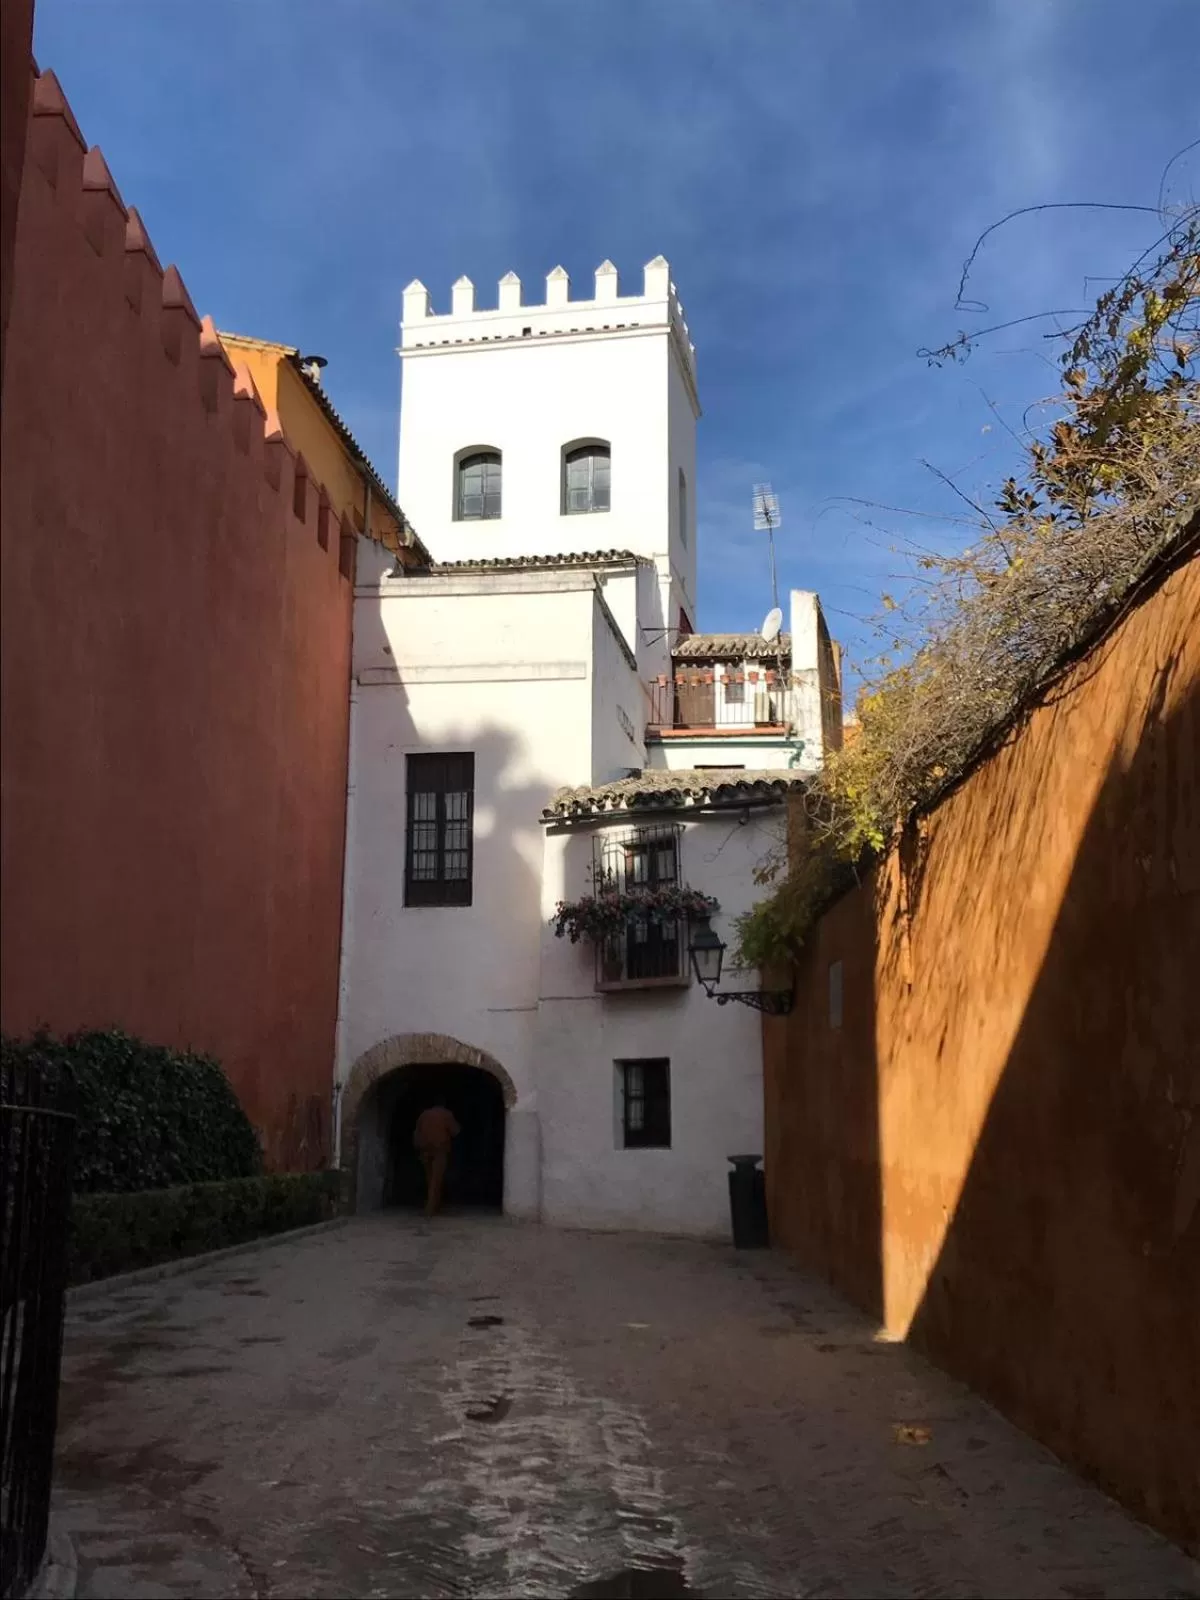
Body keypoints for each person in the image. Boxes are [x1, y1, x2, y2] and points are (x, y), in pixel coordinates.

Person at [412, 1103, 460, 1217]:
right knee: (436, 1178)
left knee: (429, 1178)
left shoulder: (424, 1115)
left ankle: (434, 1205)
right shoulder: (446, 1115)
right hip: (439, 1149)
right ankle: (430, 1208)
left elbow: (416, 1132)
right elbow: (455, 1131)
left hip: (424, 1149)